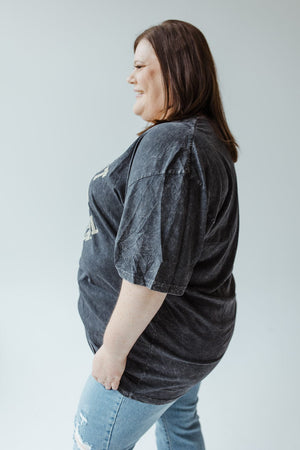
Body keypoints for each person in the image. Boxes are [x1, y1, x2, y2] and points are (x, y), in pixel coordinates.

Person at [73, 19, 239, 450]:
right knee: (179, 426)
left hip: (153, 350)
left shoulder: (174, 147)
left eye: (140, 65)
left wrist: (112, 351)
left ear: (175, 69)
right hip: (187, 339)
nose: (130, 76)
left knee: (91, 443)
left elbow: (151, 272)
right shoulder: (198, 138)